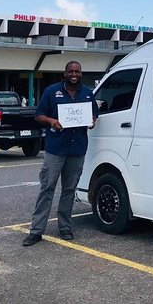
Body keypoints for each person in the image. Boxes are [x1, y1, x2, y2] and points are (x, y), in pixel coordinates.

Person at [23, 61, 100, 246]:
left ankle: (65, 227)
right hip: (56, 149)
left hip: (77, 149)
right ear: (64, 73)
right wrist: (51, 121)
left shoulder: (88, 93)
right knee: (47, 188)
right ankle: (36, 230)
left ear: (81, 74)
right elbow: (39, 115)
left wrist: (92, 120)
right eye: (71, 71)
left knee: (69, 190)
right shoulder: (51, 91)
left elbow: (94, 114)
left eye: (77, 71)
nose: (74, 74)